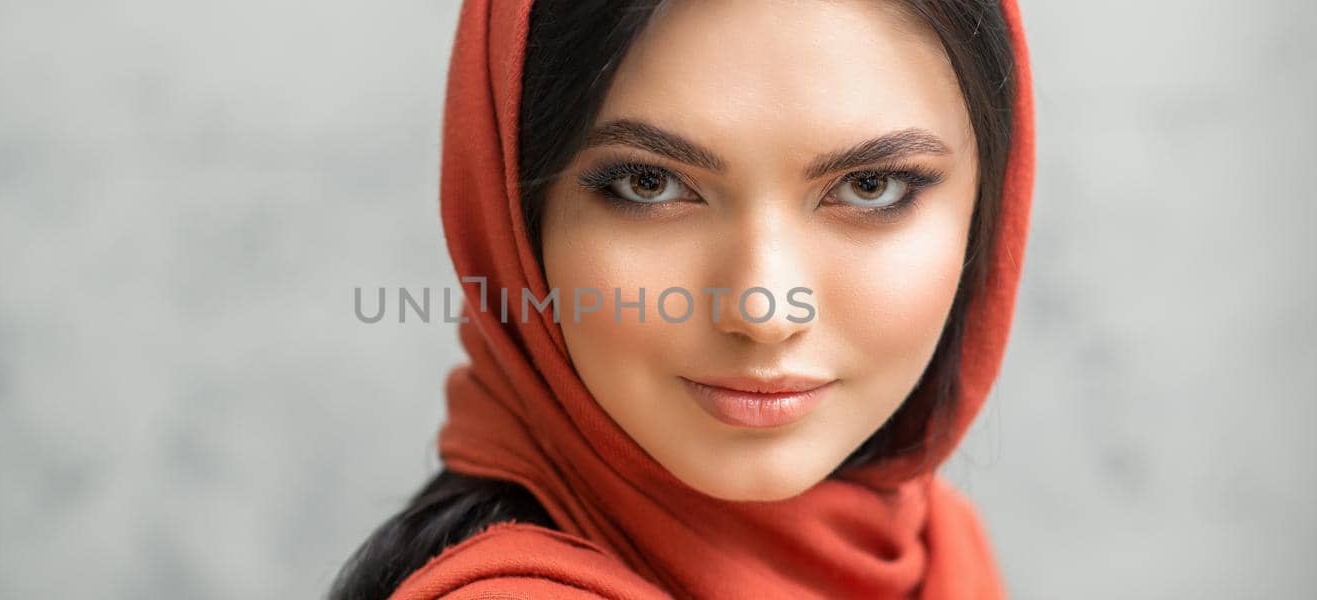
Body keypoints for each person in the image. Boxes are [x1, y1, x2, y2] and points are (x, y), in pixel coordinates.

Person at [334, 0, 1034, 597]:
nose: (764, 312)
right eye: (649, 185)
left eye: (869, 186)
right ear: (512, 213)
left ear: (988, 203)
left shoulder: (935, 548)